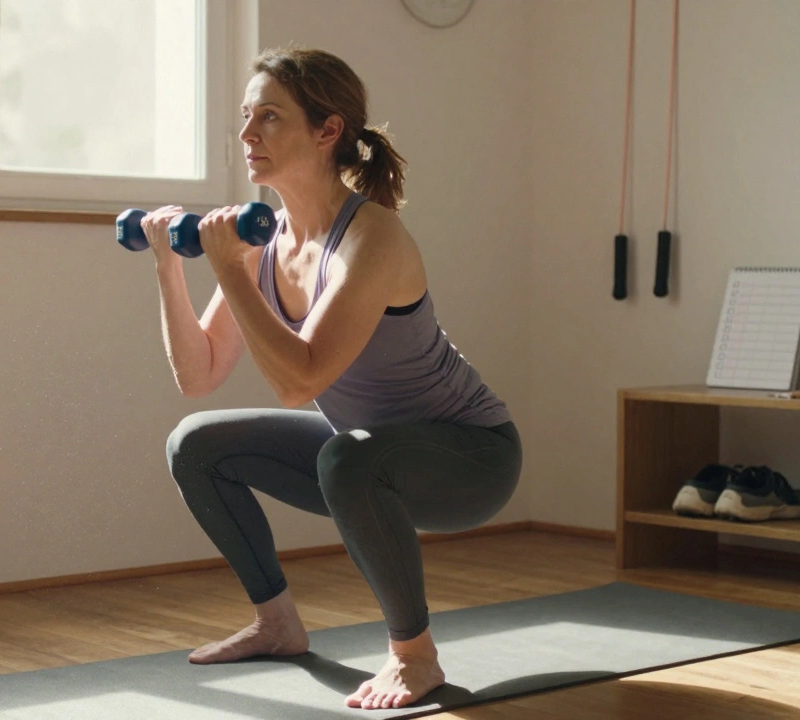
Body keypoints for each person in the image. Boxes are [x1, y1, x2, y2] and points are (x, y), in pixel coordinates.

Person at [142, 46, 521, 711]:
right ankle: (276, 624)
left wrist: (230, 269)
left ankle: (416, 659)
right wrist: (169, 268)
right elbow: (198, 375)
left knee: (348, 456)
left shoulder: (371, 238)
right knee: (194, 442)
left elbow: (299, 381)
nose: (247, 134)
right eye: (245, 116)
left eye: (269, 117)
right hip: (365, 451)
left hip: (470, 457)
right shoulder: (264, 242)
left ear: (327, 130)